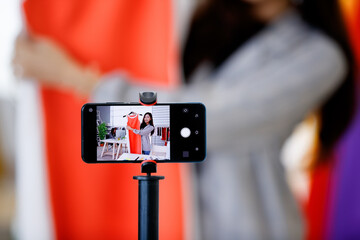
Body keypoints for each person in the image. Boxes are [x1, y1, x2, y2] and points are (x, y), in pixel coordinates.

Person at [13, 0, 355, 239]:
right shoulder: (199, 19)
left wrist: (71, 78)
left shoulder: (321, 57)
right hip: (171, 221)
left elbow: (194, 130)